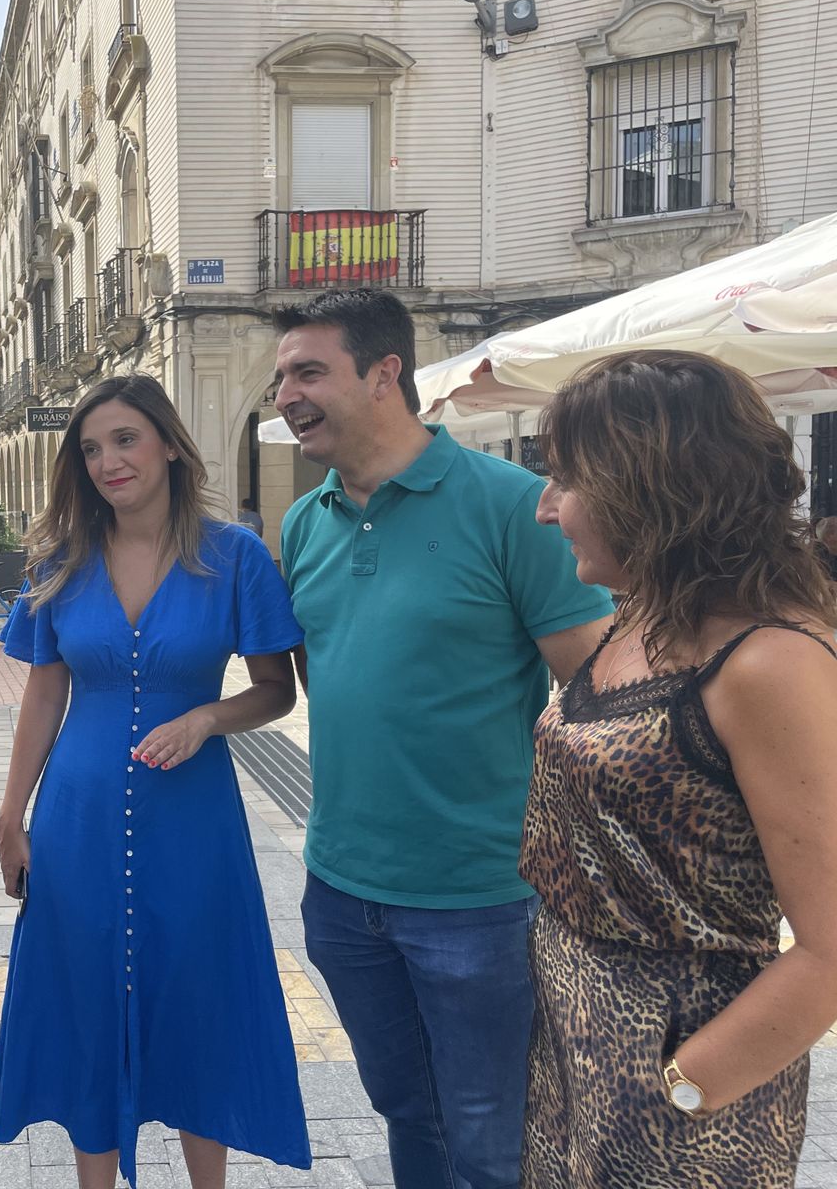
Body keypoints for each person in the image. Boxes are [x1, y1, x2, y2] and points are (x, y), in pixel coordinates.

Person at [272, 289, 613, 1189]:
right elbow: (326, 676)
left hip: (480, 897)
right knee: (407, 1114)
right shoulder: (304, 524)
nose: (284, 394)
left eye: (308, 371)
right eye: (280, 376)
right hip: (341, 892)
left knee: (490, 1138)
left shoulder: (513, 507)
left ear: (385, 374)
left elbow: (599, 689)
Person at [522, 351, 837, 1187]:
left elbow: (832, 947)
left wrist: (682, 1089)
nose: (547, 508)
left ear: (646, 485)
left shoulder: (770, 662)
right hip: (571, 1051)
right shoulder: (643, 616)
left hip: (678, 1093)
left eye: (565, 479)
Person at [0, 375, 312, 1189]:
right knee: (87, 1000)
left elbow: (277, 688)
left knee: (201, 994)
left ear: (169, 443)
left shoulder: (234, 555)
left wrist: (207, 718)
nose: (108, 462)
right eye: (91, 449)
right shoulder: (61, 560)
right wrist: (10, 813)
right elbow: (44, 691)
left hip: (194, 818)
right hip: (77, 813)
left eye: (126, 439)